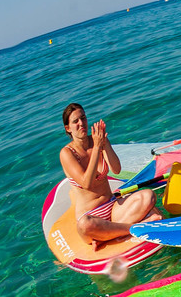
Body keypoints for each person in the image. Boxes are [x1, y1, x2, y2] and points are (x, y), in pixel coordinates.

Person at [58, 103, 160, 243]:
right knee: (84, 225)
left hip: (112, 207)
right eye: (76, 121)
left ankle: (109, 234)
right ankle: (134, 227)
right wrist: (97, 148)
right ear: (68, 128)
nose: (81, 123)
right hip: (91, 216)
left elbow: (116, 169)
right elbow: (86, 183)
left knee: (149, 196)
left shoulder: (98, 140)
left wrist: (104, 144)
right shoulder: (67, 153)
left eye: (83, 118)